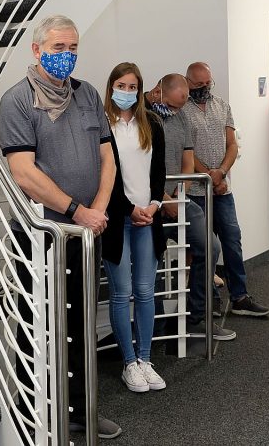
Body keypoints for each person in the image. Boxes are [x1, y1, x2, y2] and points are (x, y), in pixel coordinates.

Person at [0, 14, 121, 438]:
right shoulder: (17, 100)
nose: (66, 56)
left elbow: (107, 157)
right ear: (37, 50)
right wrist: (76, 211)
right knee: (40, 325)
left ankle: (81, 411)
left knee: (82, 325)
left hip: (88, 234)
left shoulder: (87, 95)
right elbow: (23, 173)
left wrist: (98, 210)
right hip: (42, 236)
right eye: (57, 48)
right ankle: (35, 415)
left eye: (72, 48)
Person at [184, 62, 269, 317]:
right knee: (204, 248)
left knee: (232, 240)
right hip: (195, 192)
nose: (203, 88)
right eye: (198, 84)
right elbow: (184, 152)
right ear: (187, 82)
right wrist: (207, 175)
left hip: (222, 189)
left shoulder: (222, 105)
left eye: (207, 83)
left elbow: (232, 144)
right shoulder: (181, 110)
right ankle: (207, 302)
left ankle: (240, 297)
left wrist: (220, 173)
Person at [153, 74, 235, 341]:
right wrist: (163, 198)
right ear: (160, 92)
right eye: (175, 104)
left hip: (179, 198)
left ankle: (196, 316)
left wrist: (179, 194)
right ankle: (153, 327)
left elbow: (187, 162)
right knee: (151, 261)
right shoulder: (143, 117)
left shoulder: (182, 117)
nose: (178, 109)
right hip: (149, 203)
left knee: (211, 247)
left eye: (182, 104)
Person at [102, 63, 168, 392]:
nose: (126, 92)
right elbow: (101, 178)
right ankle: (128, 363)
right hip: (117, 221)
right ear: (111, 86)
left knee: (144, 292)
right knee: (121, 293)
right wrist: (129, 210)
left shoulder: (152, 123)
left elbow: (159, 171)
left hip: (148, 219)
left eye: (132, 87)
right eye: (121, 85)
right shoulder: (101, 125)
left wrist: (155, 204)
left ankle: (145, 359)